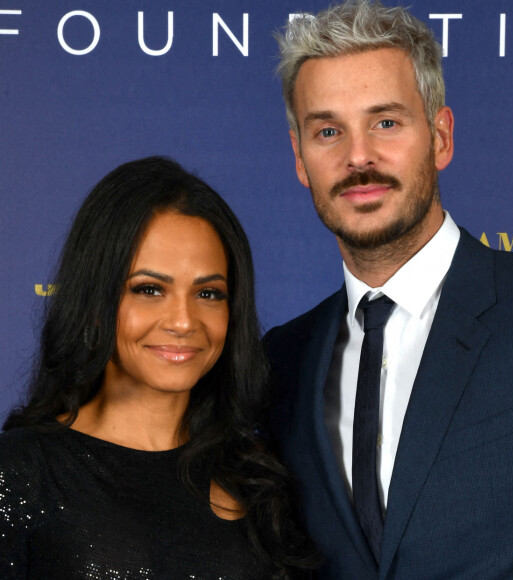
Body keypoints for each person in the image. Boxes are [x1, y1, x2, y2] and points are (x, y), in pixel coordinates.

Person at [264, 1, 513, 578]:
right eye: (328, 130)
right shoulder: (281, 359)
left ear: (440, 137)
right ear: (300, 158)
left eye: (386, 122)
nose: (358, 157)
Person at [0, 156, 317, 579]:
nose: (183, 321)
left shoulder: (258, 476)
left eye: (208, 293)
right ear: (96, 303)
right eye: (149, 289)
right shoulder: (22, 473)